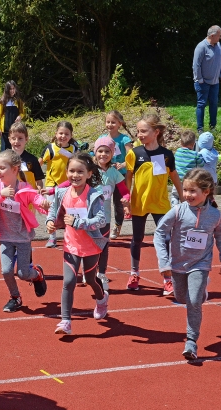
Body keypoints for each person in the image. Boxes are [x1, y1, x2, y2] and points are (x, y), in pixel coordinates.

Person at [154, 168, 221, 360]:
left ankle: (191, 341)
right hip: (178, 264)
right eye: (185, 190)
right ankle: (201, 291)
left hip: (201, 264)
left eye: (192, 191)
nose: (187, 195)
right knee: (182, 298)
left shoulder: (215, 215)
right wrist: (164, 262)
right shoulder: (178, 211)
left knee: (194, 301)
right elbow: (159, 232)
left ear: (206, 192)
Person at [0, 149, 49, 312]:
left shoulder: (24, 187)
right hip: (5, 236)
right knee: (6, 270)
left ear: (15, 169)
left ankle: (37, 274)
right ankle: (15, 297)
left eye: (2, 168)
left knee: (23, 274)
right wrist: (0, 195)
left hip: (23, 237)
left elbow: (37, 200)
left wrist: (45, 205)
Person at [57, 137, 131, 291]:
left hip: (103, 218)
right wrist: (52, 190)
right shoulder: (88, 170)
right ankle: (88, 271)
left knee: (102, 245)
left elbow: (124, 190)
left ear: (112, 154)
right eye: (100, 151)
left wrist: (126, 200)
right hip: (85, 215)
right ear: (95, 152)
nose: (103, 154)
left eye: (107, 151)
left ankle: (102, 273)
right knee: (86, 242)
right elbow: (68, 183)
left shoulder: (114, 173)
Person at [46, 153, 108, 335]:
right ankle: (66, 321)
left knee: (90, 280)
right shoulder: (61, 193)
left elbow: (101, 220)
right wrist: (50, 222)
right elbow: (53, 211)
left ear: (89, 174)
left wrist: (79, 222)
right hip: (70, 245)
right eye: (72, 171)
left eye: (80, 171)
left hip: (91, 245)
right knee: (69, 281)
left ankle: (101, 298)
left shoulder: (94, 195)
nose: (75, 175)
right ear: (66, 173)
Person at [125, 114, 183, 293]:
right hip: (139, 204)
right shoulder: (134, 154)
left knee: (165, 240)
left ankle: (167, 278)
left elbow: (175, 178)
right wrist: (127, 199)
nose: (140, 134)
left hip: (160, 204)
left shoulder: (166, 155)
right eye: (138, 131)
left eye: (144, 131)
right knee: (137, 239)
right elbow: (128, 179)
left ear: (156, 132)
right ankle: (134, 273)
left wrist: (183, 199)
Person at [39, 121, 78, 248]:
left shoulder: (74, 149)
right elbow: (39, 162)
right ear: (56, 134)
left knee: (69, 210)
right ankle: (52, 237)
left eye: (66, 134)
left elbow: (79, 162)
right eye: (61, 133)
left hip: (69, 185)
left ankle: (70, 236)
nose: (63, 136)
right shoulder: (50, 148)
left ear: (71, 135)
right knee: (52, 210)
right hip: (52, 184)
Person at [98, 110, 134, 238]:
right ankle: (101, 224)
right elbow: (94, 154)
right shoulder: (102, 138)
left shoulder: (124, 139)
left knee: (118, 203)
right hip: (105, 175)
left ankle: (117, 225)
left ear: (120, 123)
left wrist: (123, 164)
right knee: (102, 201)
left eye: (113, 122)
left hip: (120, 176)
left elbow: (131, 155)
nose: (110, 124)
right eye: (108, 122)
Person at [192, 25, 221, 133]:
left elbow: (219, 61)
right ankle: (200, 128)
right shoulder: (201, 47)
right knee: (201, 104)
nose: (220, 38)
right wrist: (199, 79)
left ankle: (212, 126)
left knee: (214, 104)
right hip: (203, 82)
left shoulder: (218, 45)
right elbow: (196, 65)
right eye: (219, 35)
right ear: (212, 35)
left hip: (215, 82)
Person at [172, 130, 203, 206]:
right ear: (194, 144)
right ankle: (186, 210)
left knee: (175, 195)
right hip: (189, 180)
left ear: (181, 143)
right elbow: (201, 164)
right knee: (187, 196)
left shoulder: (177, 152)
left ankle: (174, 209)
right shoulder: (195, 154)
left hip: (177, 180)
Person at [0, 81, 26, 151]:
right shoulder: (2, 100)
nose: (12, 91)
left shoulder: (18, 100)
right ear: (7, 90)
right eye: (10, 89)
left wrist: (20, 116)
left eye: (13, 88)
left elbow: (23, 112)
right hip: (5, 130)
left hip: (15, 130)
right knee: (4, 150)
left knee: (14, 149)